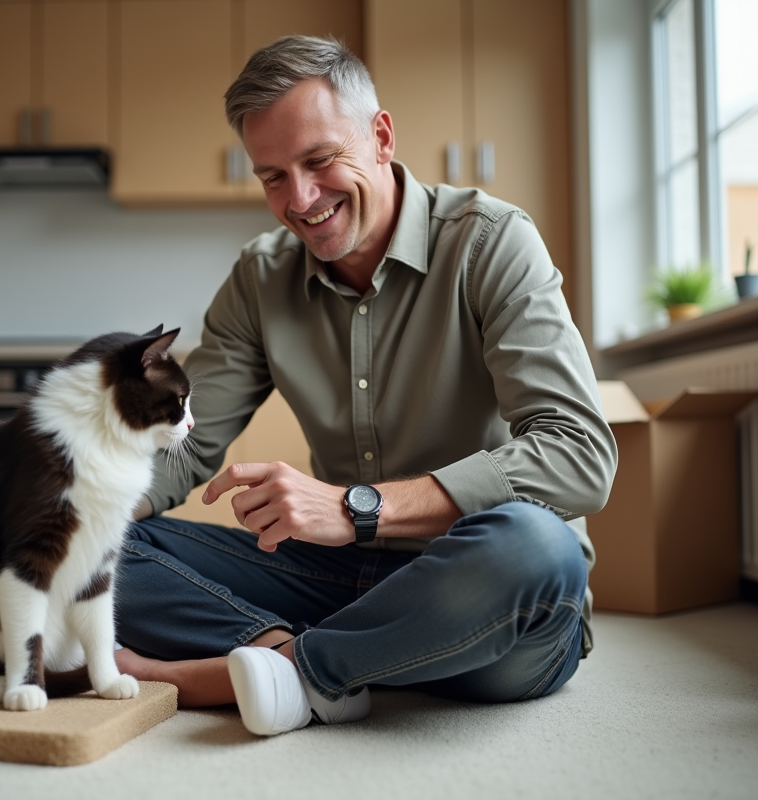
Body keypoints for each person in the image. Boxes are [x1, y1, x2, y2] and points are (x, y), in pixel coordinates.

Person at [112, 35, 617, 736]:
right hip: (331, 583)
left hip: (480, 593)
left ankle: (268, 668)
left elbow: (580, 456)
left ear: (381, 136)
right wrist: (56, 511)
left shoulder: (493, 241)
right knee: (97, 548)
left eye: (319, 162)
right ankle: (306, 663)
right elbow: (184, 451)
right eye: (273, 177)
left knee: (539, 549)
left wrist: (360, 508)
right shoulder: (259, 280)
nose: (301, 199)